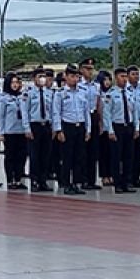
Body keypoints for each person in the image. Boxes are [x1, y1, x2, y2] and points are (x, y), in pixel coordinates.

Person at [52, 64, 92, 195]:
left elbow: (86, 112)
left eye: (77, 76)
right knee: (67, 158)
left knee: (79, 157)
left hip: (79, 127)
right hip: (67, 127)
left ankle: (76, 183)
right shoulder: (60, 93)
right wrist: (59, 130)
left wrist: (88, 129)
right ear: (66, 77)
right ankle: (66, 184)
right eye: (72, 76)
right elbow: (56, 113)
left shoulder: (82, 92)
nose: (75, 79)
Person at [103, 68, 137, 193]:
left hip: (128, 126)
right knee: (116, 157)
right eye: (122, 76)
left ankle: (127, 182)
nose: (124, 79)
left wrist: (136, 127)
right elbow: (107, 114)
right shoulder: (110, 94)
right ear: (116, 78)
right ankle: (117, 183)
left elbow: (135, 111)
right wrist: (110, 131)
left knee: (128, 156)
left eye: (125, 76)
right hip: (117, 127)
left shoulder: (130, 93)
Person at [21, 68, 55, 192]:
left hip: (46, 126)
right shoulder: (28, 93)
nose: (42, 79)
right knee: (34, 156)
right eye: (40, 76)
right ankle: (34, 181)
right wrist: (27, 128)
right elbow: (25, 111)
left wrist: (53, 127)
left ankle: (43, 181)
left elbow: (52, 111)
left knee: (45, 155)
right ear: (34, 78)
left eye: (44, 76)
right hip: (34, 126)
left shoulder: (49, 93)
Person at [0, 72, 28, 190]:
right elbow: (1, 116)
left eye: (17, 82)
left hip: (21, 131)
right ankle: (10, 180)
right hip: (9, 131)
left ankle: (18, 179)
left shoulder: (22, 97)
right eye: (12, 82)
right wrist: (0, 133)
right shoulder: (4, 98)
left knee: (21, 157)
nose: (15, 85)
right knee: (10, 156)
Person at [80, 58, 102, 190]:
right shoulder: (78, 85)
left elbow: (98, 104)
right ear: (81, 70)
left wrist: (100, 122)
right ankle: (82, 179)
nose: (90, 71)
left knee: (93, 151)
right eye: (87, 69)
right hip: (82, 117)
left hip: (93, 117)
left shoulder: (96, 86)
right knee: (82, 151)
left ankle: (91, 180)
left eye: (91, 69)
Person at [126, 66, 140, 188]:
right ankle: (128, 178)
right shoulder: (124, 90)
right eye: (133, 74)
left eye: (137, 74)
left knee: (139, 153)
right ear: (128, 75)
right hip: (129, 123)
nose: (136, 76)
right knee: (129, 153)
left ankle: (136, 178)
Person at [95, 70, 114, 187]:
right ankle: (104, 176)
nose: (107, 82)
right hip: (101, 127)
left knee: (112, 153)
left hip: (112, 126)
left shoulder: (113, 92)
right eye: (105, 80)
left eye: (109, 80)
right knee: (103, 153)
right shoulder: (98, 93)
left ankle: (111, 175)